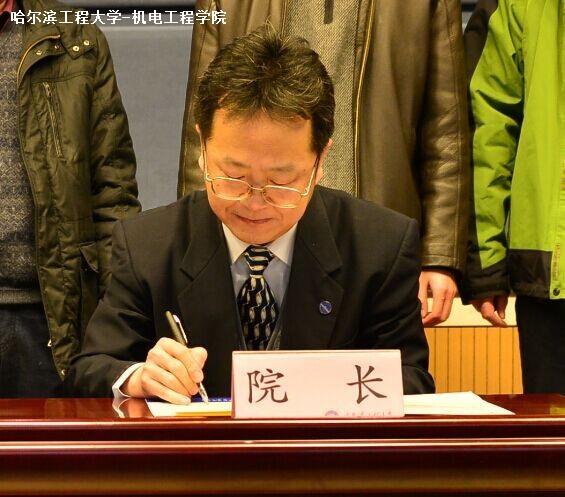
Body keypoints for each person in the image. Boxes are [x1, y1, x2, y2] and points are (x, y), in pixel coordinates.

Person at [67, 26, 434, 402]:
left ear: (321, 159)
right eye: (233, 176)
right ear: (202, 146)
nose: (255, 202)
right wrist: (140, 377)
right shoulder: (148, 245)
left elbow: (412, 381)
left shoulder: (380, 246)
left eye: (282, 180)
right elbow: (91, 368)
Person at [178, 0, 470, 326]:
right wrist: (198, 245)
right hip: (256, 230)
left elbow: (446, 126)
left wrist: (439, 254)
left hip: (372, 231)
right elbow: (204, 131)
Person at [0, 0, 140, 397]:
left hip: (52, 317)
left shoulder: (75, 37)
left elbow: (113, 192)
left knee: (61, 437)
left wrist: (120, 319)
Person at [462, 0, 565, 393]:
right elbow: (485, 133)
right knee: (554, 428)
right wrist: (485, 261)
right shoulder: (517, 5)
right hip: (551, 279)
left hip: (549, 272)